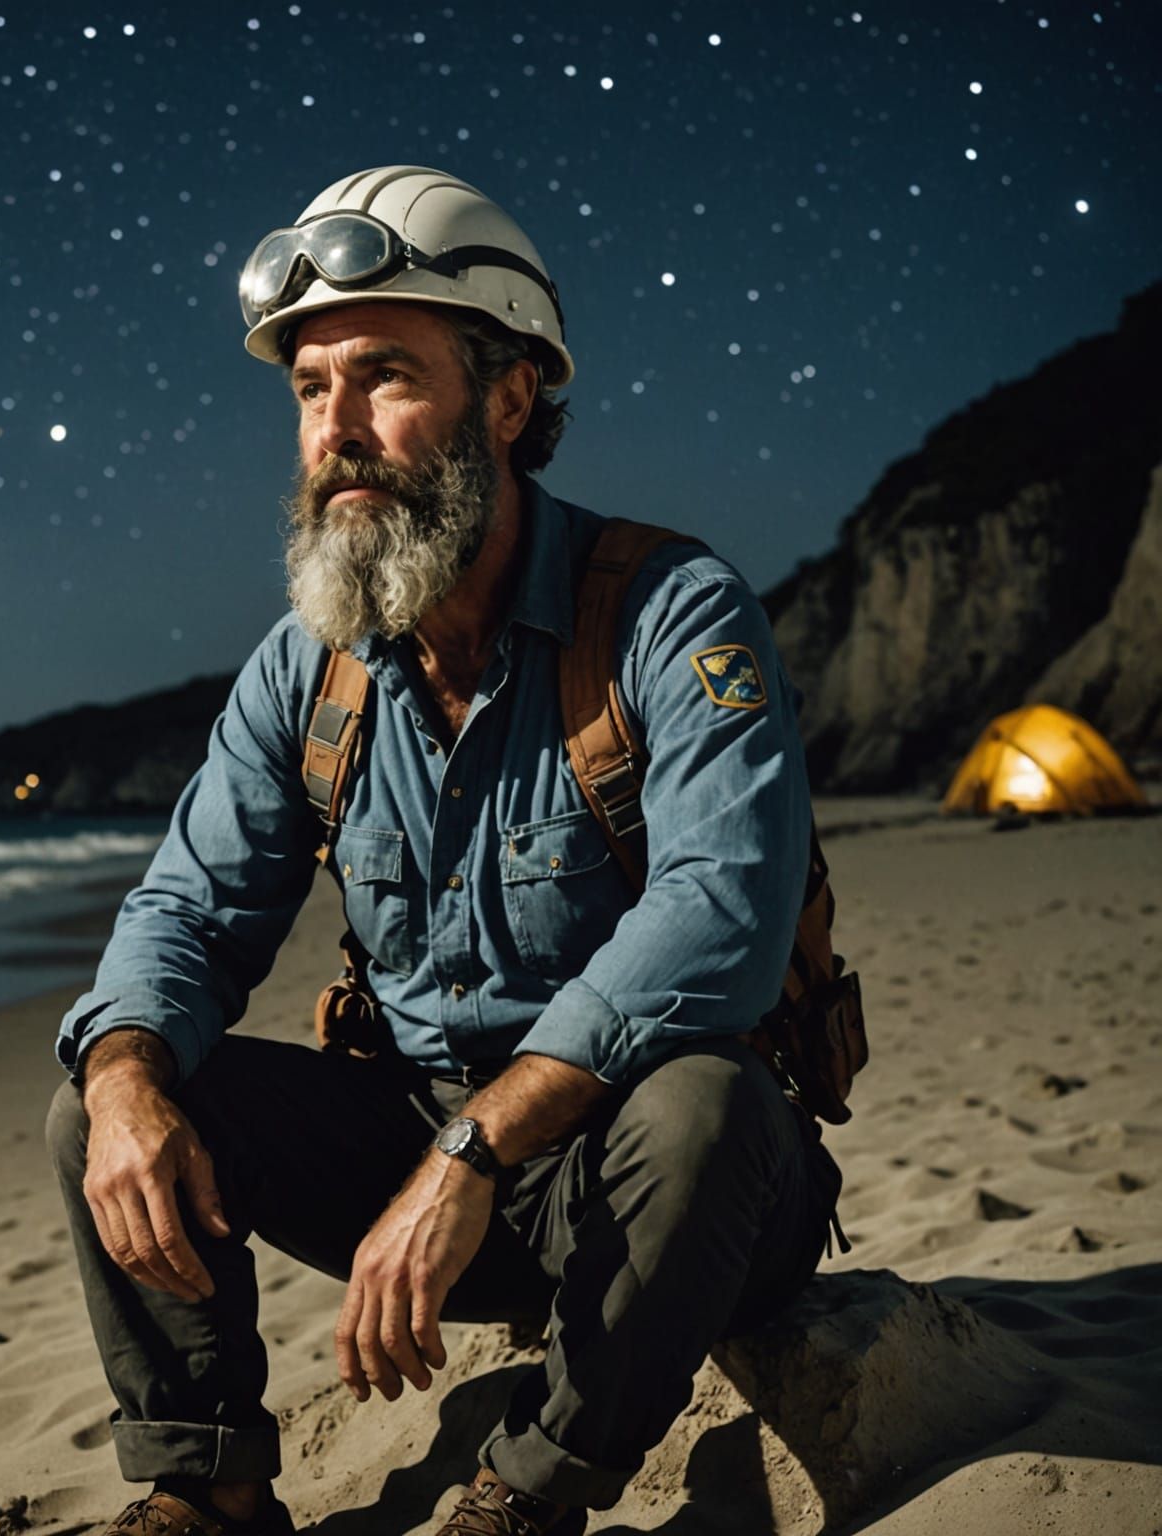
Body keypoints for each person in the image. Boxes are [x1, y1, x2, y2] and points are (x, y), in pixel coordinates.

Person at [47, 165, 840, 1536]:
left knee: (705, 1108)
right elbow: (185, 910)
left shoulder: (667, 608)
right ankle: (212, 1487)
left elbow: (725, 916)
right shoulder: (312, 669)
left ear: (512, 393)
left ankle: (527, 1495)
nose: (336, 430)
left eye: (383, 379)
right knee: (104, 1103)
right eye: (309, 390)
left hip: (654, 1187)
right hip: (430, 1165)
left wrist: (474, 1151)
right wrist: (125, 1075)